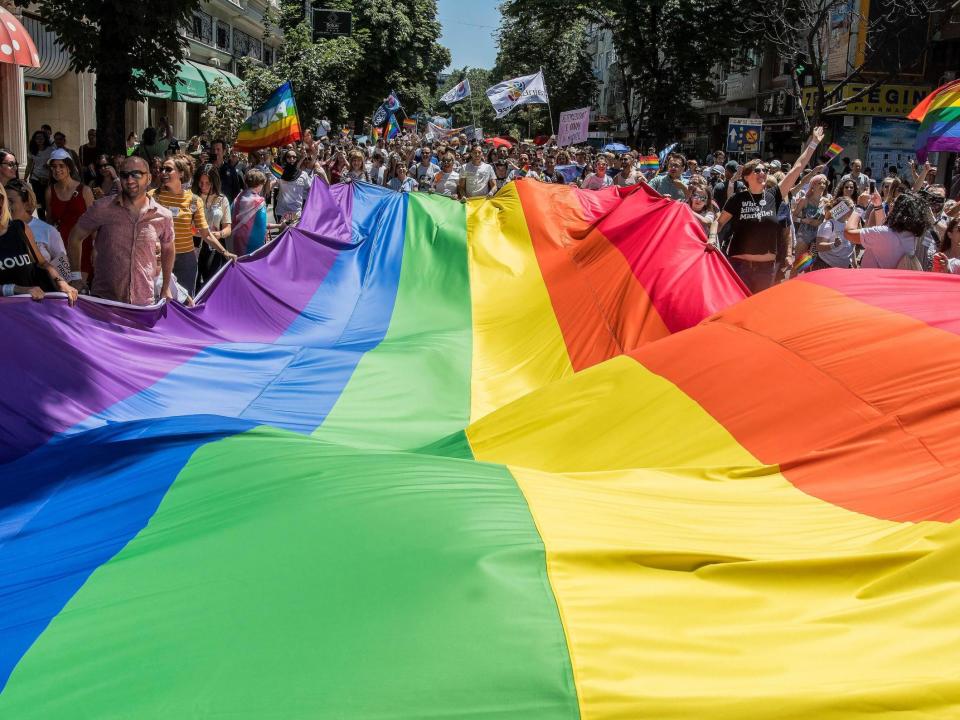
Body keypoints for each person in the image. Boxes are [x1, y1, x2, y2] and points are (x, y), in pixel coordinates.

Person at [714, 126, 825, 292]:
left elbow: (797, 168)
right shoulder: (737, 199)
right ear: (746, 176)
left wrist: (813, 143)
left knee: (758, 314)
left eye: (765, 170)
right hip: (739, 267)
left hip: (766, 270)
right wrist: (711, 239)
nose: (762, 172)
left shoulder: (775, 195)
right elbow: (719, 223)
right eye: (757, 170)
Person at [68, 156, 174, 305]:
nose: (130, 180)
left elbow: (168, 248)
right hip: (105, 301)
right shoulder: (102, 208)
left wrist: (166, 286)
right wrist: (76, 277)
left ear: (149, 178)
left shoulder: (163, 215)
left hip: (143, 302)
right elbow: (75, 237)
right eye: (124, 175)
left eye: (136, 174)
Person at [151, 154, 235, 294]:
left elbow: (205, 234)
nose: (163, 172)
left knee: (185, 301)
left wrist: (225, 252)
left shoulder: (194, 200)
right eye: (162, 169)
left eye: (168, 169)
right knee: (162, 300)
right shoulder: (153, 196)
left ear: (181, 173)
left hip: (185, 260)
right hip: (159, 258)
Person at [0, 184, 77, 305]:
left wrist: (60, 281)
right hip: (7, 314)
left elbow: (42, 263)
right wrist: (16, 289)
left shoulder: (20, 227)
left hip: (35, 308)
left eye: (2, 198)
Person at [843, 190, 932, 270]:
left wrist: (860, 206)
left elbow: (849, 233)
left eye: (895, 203)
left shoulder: (883, 234)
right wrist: (878, 205)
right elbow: (884, 230)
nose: (891, 204)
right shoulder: (911, 236)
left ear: (900, 211)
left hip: (871, 284)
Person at [4, 178, 71, 280]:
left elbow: (65, 272)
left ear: (27, 204)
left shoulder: (48, 231)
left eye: (10, 202)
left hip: (44, 292)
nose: (5, 206)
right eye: (3, 202)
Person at [46, 149, 95, 279]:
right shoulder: (50, 191)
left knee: (81, 285)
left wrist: (96, 248)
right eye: (54, 166)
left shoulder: (85, 190)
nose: (57, 170)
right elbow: (49, 222)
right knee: (66, 286)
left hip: (84, 244)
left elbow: (95, 223)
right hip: (61, 247)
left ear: (69, 167)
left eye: (61, 166)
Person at [194, 164, 233, 289]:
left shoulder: (222, 200)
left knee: (210, 284)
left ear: (214, 182)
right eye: (201, 182)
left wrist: (219, 234)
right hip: (193, 245)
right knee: (193, 285)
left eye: (208, 183)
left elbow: (228, 229)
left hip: (214, 246)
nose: (204, 186)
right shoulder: (191, 198)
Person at [810, 197, 855, 271]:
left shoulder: (849, 225)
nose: (854, 209)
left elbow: (850, 248)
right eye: (852, 207)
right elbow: (819, 246)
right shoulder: (828, 224)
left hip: (843, 268)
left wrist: (854, 264)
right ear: (843, 208)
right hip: (825, 266)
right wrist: (834, 244)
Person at [793, 174, 827, 256]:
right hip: (804, 236)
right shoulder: (805, 200)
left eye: (824, 183)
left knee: (812, 265)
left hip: (818, 238)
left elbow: (829, 218)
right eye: (819, 183)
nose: (822, 185)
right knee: (799, 264)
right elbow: (793, 217)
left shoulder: (827, 201)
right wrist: (802, 220)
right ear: (812, 186)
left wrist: (822, 222)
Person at [275, 149, 311, 223]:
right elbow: (273, 184)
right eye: (289, 157)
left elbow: (310, 189)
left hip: (296, 212)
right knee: (283, 233)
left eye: (294, 157)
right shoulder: (279, 173)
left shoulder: (303, 174)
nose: (292, 159)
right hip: (282, 211)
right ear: (285, 159)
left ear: (297, 159)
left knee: (293, 233)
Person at [25, 130, 53, 220]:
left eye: (41, 137)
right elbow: (29, 164)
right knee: (39, 201)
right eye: (37, 138)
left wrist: (49, 165)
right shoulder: (33, 150)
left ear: (45, 139)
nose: (39, 140)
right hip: (35, 178)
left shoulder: (51, 150)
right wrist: (25, 177)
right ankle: (42, 219)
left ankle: (49, 219)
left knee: (47, 200)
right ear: (34, 140)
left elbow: (54, 163)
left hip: (47, 179)